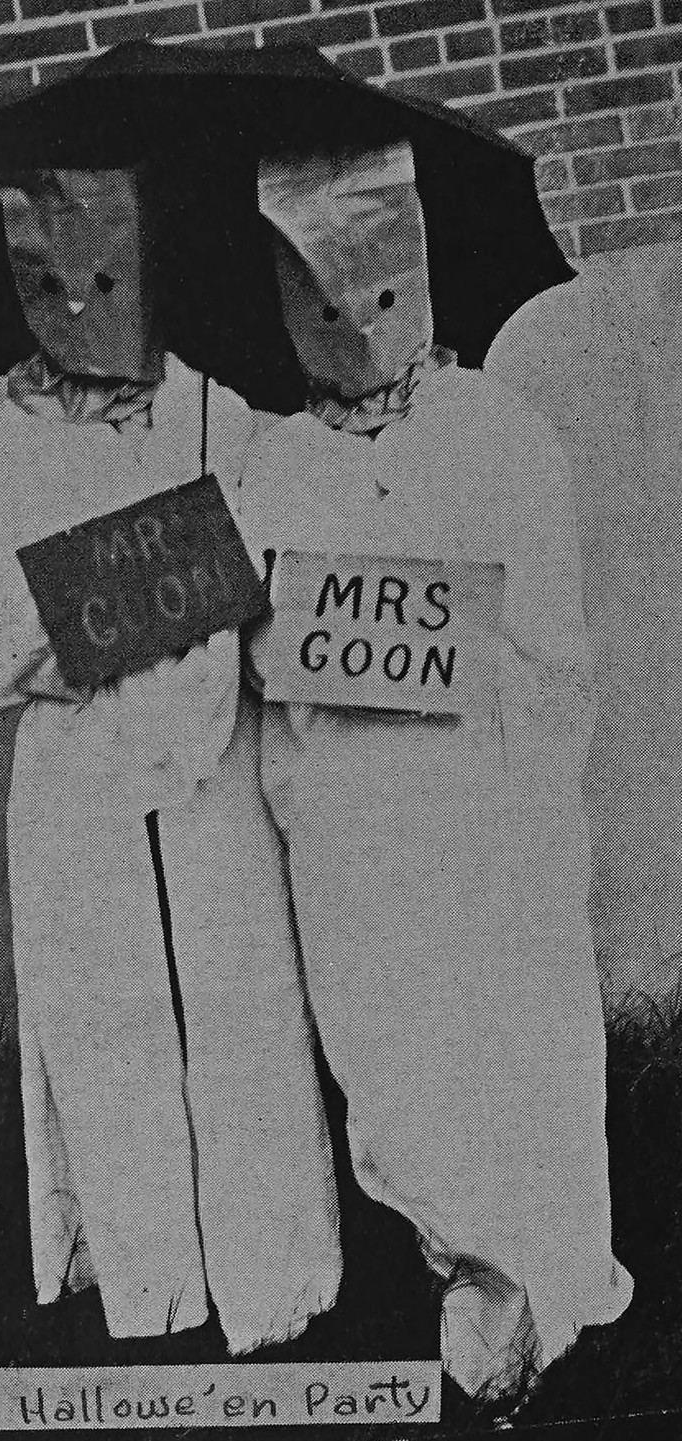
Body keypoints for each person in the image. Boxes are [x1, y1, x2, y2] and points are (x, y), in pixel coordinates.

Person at [237, 138, 634, 1408]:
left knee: (514, 1032)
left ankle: (547, 1279)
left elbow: (550, 641)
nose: (355, 330)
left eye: (377, 297)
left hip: (485, 801)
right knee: (398, 1051)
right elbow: (258, 651)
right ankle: (458, 1260)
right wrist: (304, 629)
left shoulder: (494, 433)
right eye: (323, 308)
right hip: (355, 818)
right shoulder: (269, 467)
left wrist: (449, 639)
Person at [0, 164, 340, 1353]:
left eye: (108, 281)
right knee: (111, 1022)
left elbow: (286, 581)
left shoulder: (222, 419)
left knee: (242, 1009)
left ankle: (275, 1281)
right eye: (54, 287)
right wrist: (124, 589)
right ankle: (150, 1284)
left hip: (214, 772)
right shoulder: (3, 451)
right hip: (82, 785)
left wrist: (233, 575)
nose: (83, 309)